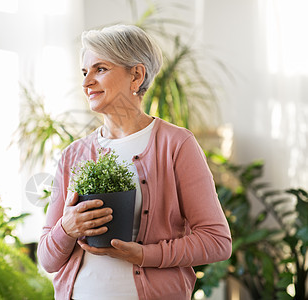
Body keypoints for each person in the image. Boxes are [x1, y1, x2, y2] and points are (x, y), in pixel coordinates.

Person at [37, 24, 232, 300]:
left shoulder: (176, 145)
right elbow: (47, 259)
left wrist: (143, 255)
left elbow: (217, 242)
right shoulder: (73, 154)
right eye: (84, 72)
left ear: (136, 75)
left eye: (100, 69)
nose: (86, 82)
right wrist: (66, 228)